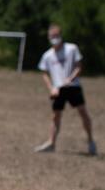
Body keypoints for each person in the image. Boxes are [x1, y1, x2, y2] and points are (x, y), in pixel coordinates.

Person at [35, 24, 96, 155]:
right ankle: (51, 143)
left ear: (61, 35)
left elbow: (79, 66)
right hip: (58, 90)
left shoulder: (72, 49)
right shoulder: (48, 55)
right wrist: (51, 88)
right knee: (55, 116)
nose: (54, 38)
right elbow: (44, 72)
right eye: (52, 36)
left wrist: (70, 79)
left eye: (56, 35)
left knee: (83, 113)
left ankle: (91, 141)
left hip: (73, 87)